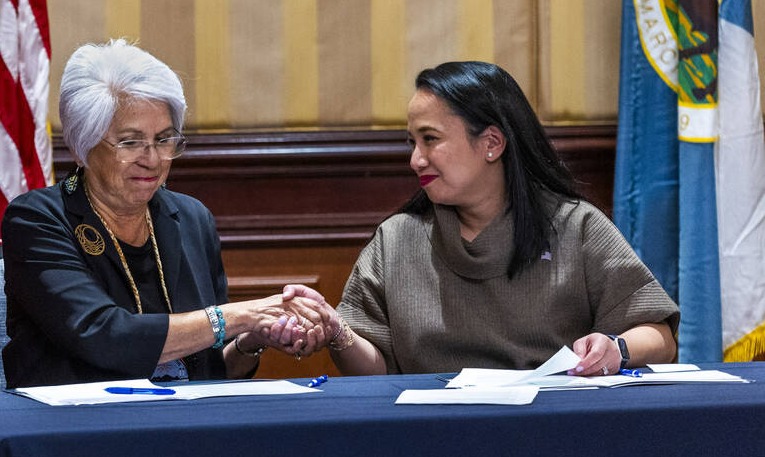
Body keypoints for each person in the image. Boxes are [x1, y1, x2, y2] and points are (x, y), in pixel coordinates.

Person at [285, 61, 679, 376]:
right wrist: (336, 332)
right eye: (412, 142)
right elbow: (375, 372)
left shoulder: (575, 226)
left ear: (491, 143)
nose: (415, 160)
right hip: (429, 437)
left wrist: (617, 349)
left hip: (552, 432)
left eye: (431, 139)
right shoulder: (397, 238)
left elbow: (660, 336)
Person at [1, 40, 324, 387]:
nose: (152, 159)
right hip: (78, 427)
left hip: (185, 424)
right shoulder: (37, 219)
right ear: (83, 145)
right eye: (130, 142)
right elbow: (103, 336)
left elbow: (212, 369)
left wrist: (253, 339)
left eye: (164, 140)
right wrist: (241, 315)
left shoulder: (191, 218)